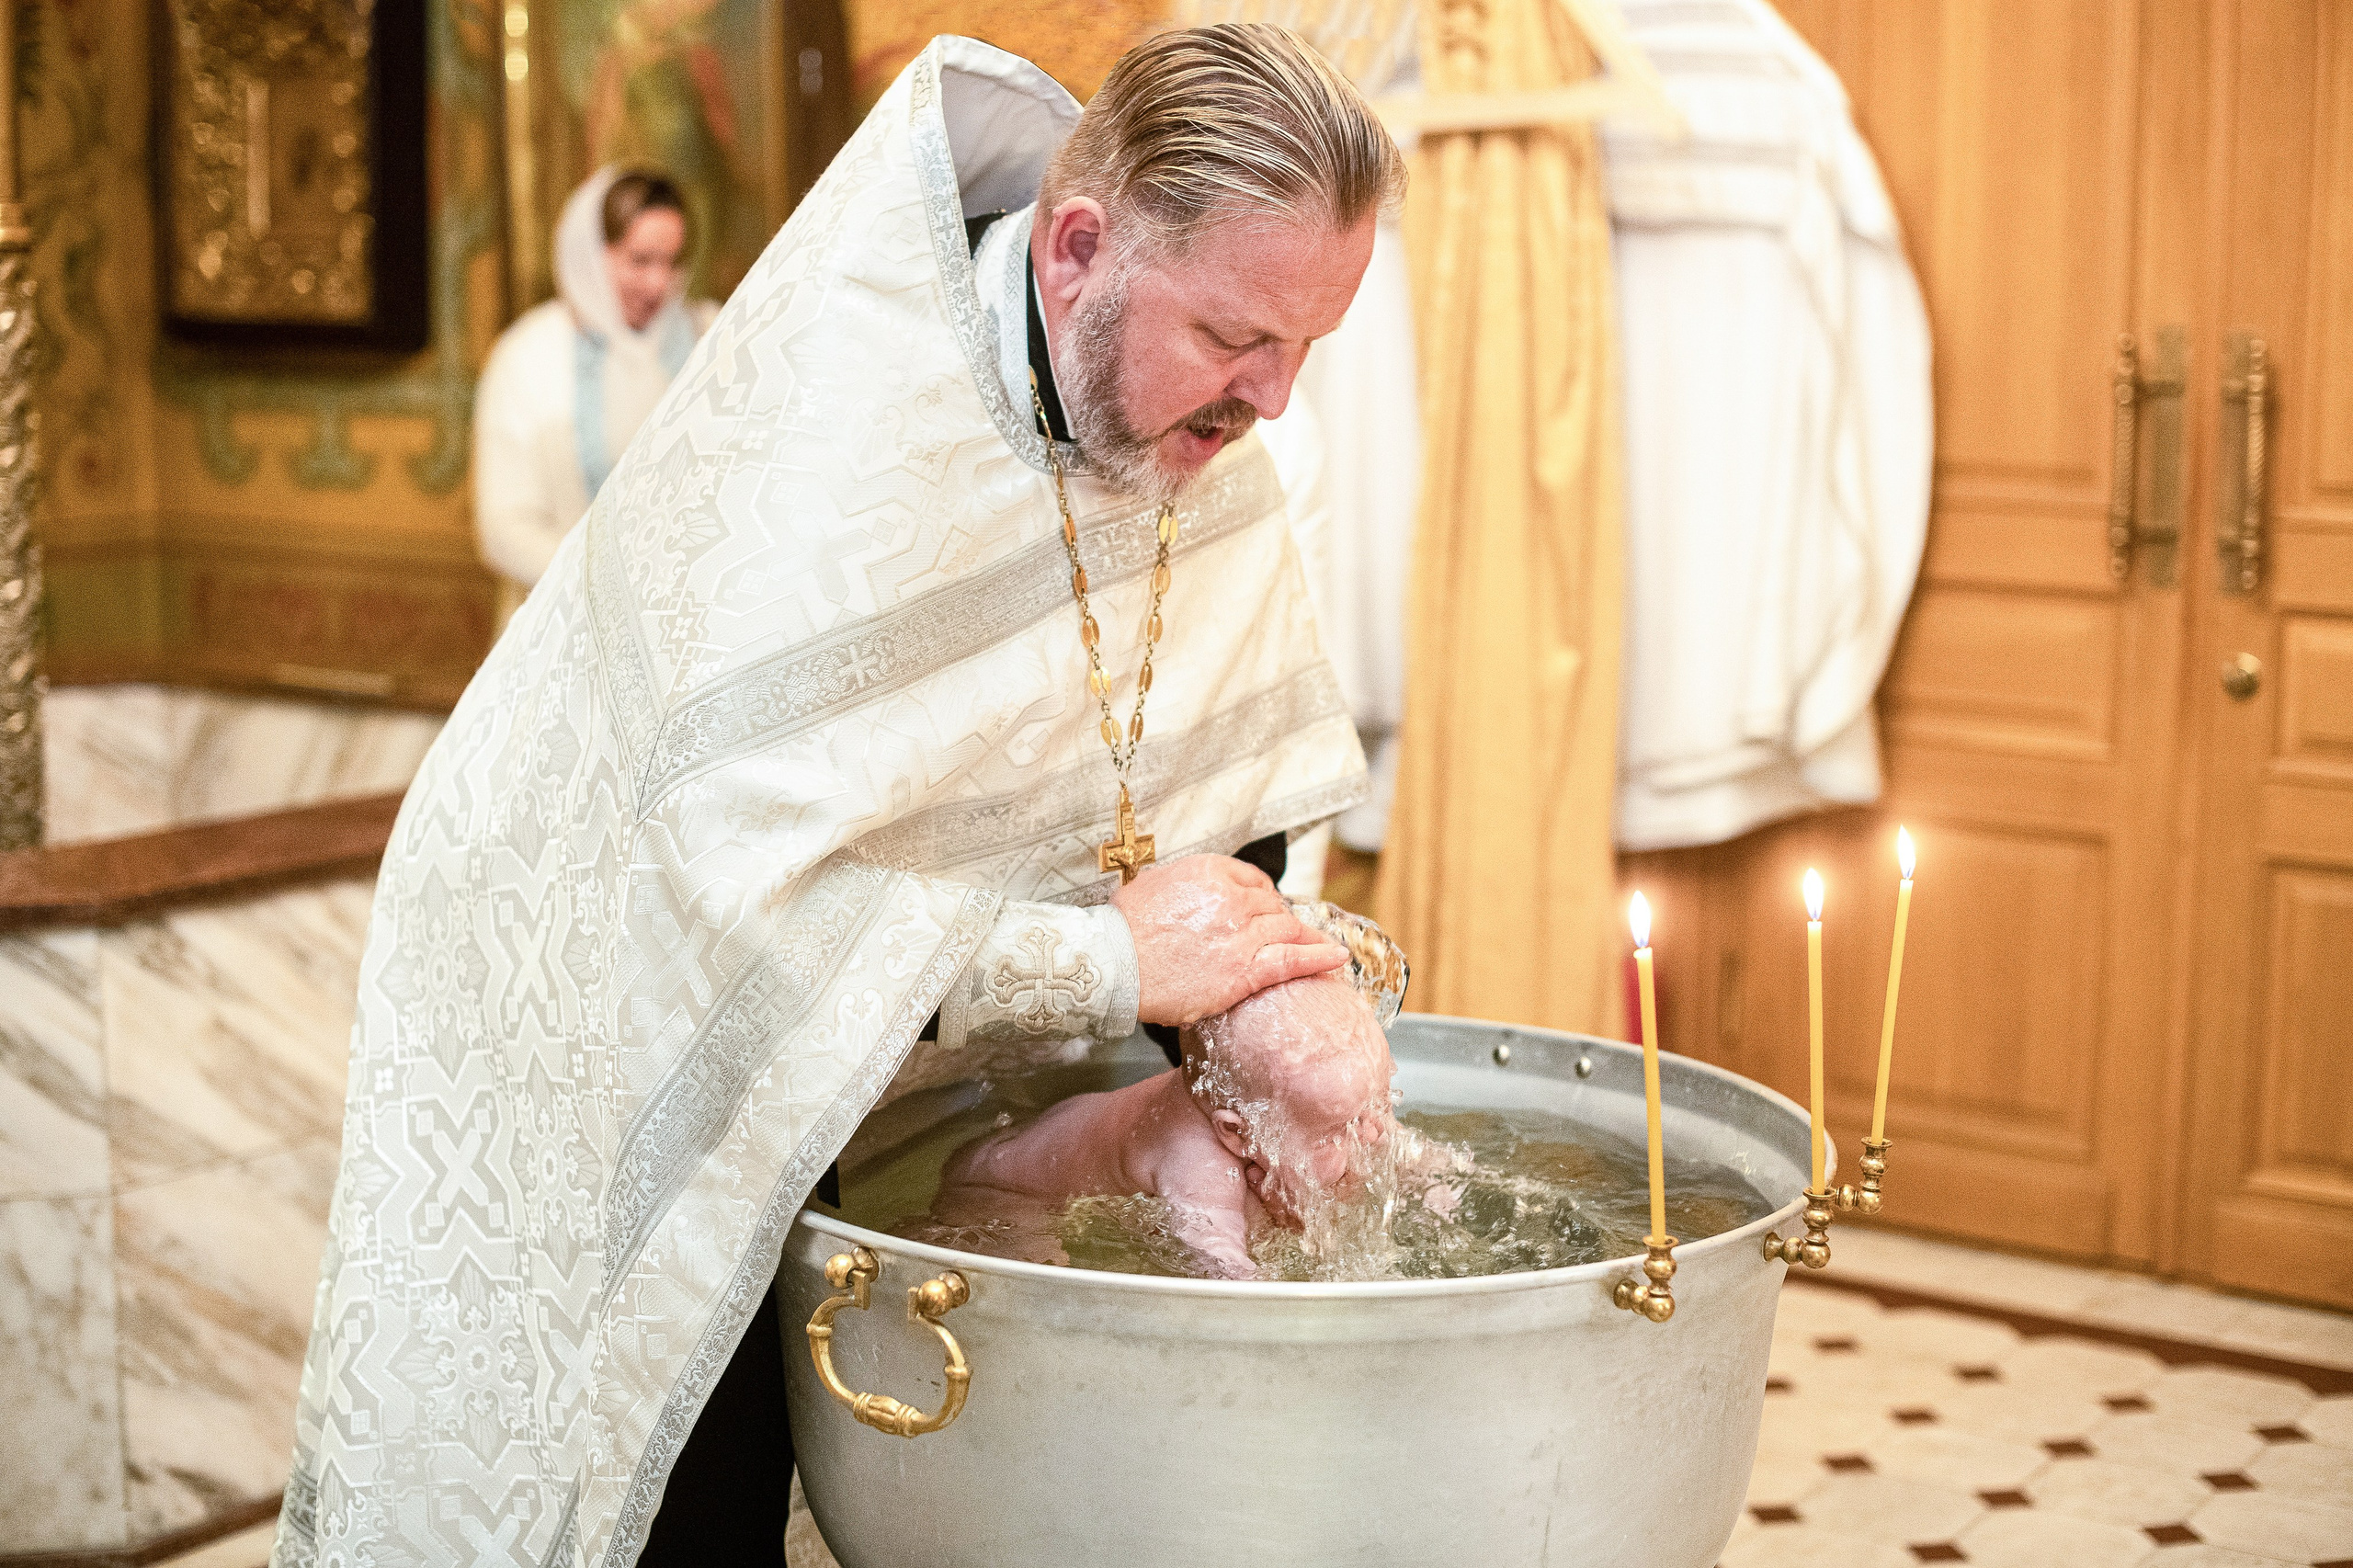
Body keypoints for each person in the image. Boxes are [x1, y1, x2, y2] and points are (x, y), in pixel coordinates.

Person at [273, 26, 1405, 1568]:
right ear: (1081, 249)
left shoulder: (1196, 427)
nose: (1271, 402)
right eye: (1235, 336)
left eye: (1306, 348)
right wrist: (1113, 966)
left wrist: (1260, 1015)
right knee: (676, 1492)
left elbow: (1213, 790)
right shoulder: (832, 430)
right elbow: (723, 901)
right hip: (604, 1004)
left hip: (882, 1034)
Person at [472, 167, 722, 618]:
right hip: (565, 625)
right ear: (589, 253)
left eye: (672, 261)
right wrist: (621, 591)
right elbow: (503, 529)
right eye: (640, 260)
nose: (658, 284)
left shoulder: (708, 334)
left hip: (693, 622)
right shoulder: (526, 357)